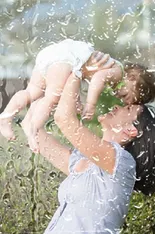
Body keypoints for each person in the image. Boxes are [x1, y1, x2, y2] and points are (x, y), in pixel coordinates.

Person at [0, 68, 154, 234]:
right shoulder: (88, 160)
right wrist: (45, 91)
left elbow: (65, 120)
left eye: (126, 109)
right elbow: (38, 136)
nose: (117, 105)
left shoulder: (121, 163)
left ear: (130, 131)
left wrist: (77, 67)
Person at [0, 39, 155, 153]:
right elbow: (97, 80)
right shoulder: (118, 72)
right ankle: (33, 130)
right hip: (67, 59)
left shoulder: (116, 72)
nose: (119, 97)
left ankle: (6, 116)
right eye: (126, 95)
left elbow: (81, 78)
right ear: (133, 79)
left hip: (55, 55)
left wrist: (76, 101)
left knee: (32, 92)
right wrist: (90, 105)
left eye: (123, 99)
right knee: (52, 97)